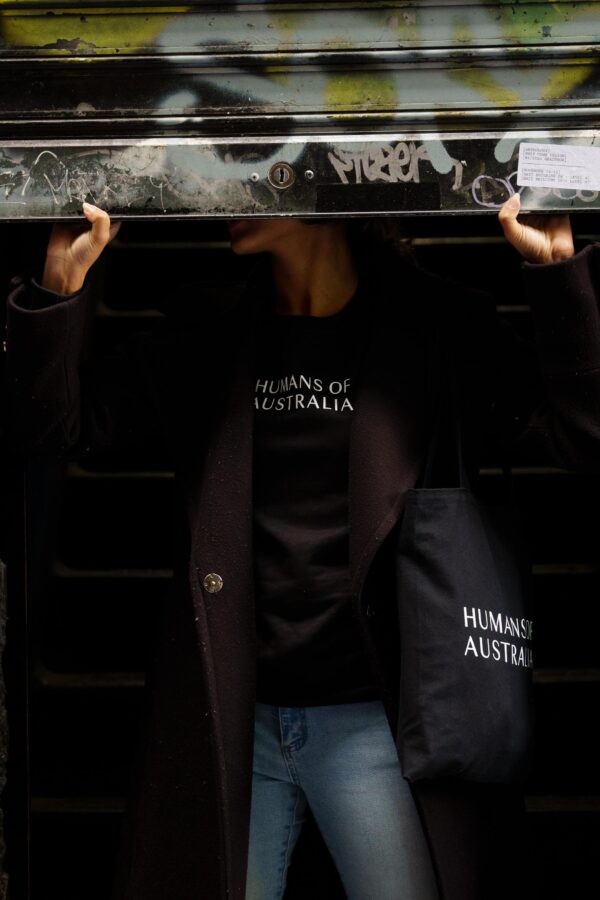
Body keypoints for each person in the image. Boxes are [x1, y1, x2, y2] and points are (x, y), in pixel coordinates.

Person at [5, 198, 600, 900]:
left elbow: (580, 437)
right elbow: (53, 431)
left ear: (322, 194)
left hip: (376, 726)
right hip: (237, 722)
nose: (226, 193)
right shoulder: (206, 330)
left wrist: (559, 277)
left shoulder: (439, 324)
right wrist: (57, 288)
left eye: (257, 174)